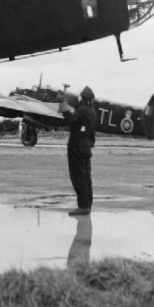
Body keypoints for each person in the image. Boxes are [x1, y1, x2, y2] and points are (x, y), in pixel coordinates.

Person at [59, 86, 97, 216]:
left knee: (77, 177)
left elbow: (71, 119)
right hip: (85, 145)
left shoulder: (82, 110)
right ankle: (87, 204)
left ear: (83, 98)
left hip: (76, 145)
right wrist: (90, 143)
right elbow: (92, 131)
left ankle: (83, 206)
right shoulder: (92, 111)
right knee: (86, 177)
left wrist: (63, 105)